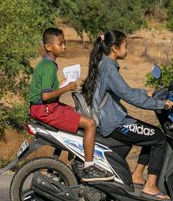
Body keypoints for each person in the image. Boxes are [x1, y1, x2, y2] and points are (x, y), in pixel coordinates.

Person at [81, 30, 173, 201]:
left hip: (109, 118)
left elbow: (125, 91)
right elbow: (129, 96)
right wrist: (161, 104)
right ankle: (150, 186)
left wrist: (145, 92)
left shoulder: (105, 64)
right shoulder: (109, 67)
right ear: (114, 48)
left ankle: (138, 175)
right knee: (158, 138)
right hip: (112, 122)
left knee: (151, 133)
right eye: (126, 46)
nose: (127, 50)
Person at [27, 27, 113, 182]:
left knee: (78, 114)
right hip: (45, 109)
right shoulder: (48, 67)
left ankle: (73, 161)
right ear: (48, 46)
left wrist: (62, 84)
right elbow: (45, 96)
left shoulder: (46, 64)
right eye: (60, 44)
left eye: (64, 43)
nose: (64, 47)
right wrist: (67, 88)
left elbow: (46, 90)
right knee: (90, 124)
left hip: (44, 108)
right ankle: (88, 167)